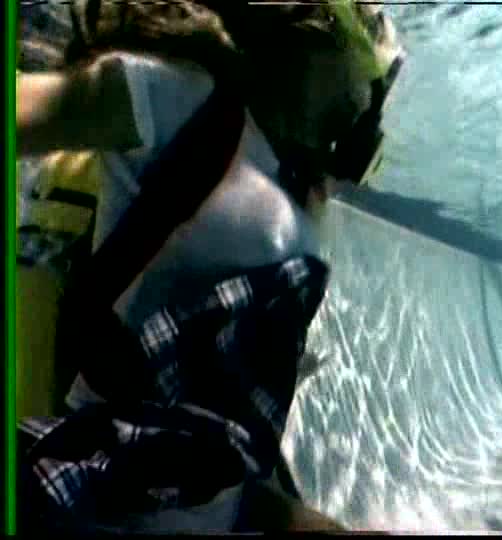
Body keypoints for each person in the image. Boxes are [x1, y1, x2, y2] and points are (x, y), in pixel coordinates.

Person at [16, 0, 405, 533]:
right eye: (374, 81)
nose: (372, 103)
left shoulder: (301, 198)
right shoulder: (181, 100)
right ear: (323, 31)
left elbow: (220, 458)